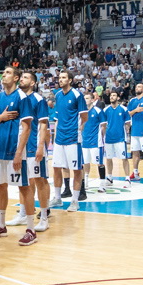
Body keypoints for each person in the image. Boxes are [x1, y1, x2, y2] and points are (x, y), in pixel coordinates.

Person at [0, 65, 29, 236]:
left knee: (23, 187)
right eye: (3, 73)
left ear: (16, 78)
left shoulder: (22, 97)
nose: (3, 75)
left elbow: (27, 127)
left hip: (15, 150)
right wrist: (1, 118)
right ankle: (1, 224)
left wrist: (19, 153)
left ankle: (30, 228)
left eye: (7, 73)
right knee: (0, 186)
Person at [49, 69, 88, 211]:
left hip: (73, 138)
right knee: (56, 168)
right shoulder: (58, 95)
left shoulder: (78, 95)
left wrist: (78, 130)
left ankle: (75, 201)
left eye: (64, 77)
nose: (60, 80)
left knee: (76, 170)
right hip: (59, 138)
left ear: (70, 80)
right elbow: (58, 117)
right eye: (59, 77)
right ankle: (58, 198)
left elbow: (84, 117)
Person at [19, 71, 51, 236]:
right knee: (23, 182)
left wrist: (41, 146)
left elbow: (44, 125)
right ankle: (23, 213)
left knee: (40, 180)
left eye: (25, 77)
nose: (21, 79)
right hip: (21, 147)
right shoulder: (18, 98)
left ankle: (44, 216)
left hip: (34, 146)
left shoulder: (38, 99)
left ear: (32, 83)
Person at [79, 90, 105, 198]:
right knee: (85, 163)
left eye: (87, 98)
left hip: (96, 143)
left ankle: (102, 184)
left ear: (93, 100)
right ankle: (85, 181)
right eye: (84, 98)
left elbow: (103, 126)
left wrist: (101, 139)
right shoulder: (81, 113)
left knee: (100, 163)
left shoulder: (98, 111)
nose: (85, 100)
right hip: (84, 142)